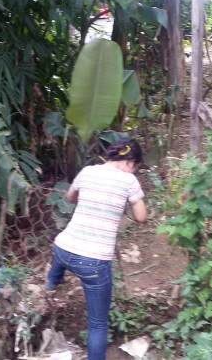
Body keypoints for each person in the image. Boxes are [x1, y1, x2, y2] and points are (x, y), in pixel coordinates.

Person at [45, 137, 147, 360]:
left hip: (63, 248)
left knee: (62, 250)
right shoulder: (129, 181)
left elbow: (70, 197)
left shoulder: (87, 171)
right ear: (131, 161)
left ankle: (51, 281)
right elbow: (141, 217)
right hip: (92, 262)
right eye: (136, 166)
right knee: (98, 325)